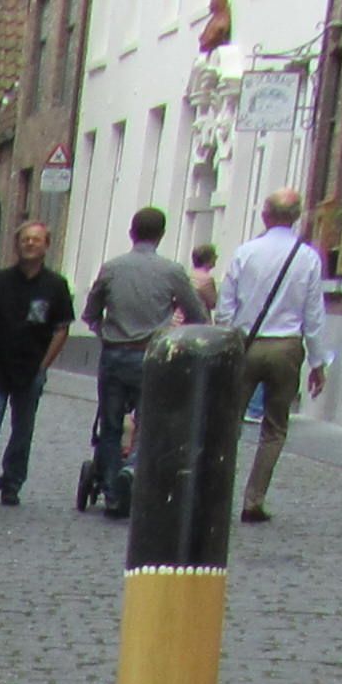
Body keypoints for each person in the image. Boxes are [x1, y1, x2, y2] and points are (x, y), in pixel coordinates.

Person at [79, 206, 202, 517]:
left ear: (132, 233)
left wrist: (105, 331)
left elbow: (90, 313)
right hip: (152, 355)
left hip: (115, 354)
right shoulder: (172, 271)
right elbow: (197, 313)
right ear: (161, 235)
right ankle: (132, 470)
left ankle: (111, 491)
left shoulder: (111, 268)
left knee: (109, 424)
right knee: (149, 421)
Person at [217, 189, 330, 524]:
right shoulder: (307, 257)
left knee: (227, 423)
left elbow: (226, 306)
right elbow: (314, 313)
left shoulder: (245, 253)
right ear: (296, 217)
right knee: (275, 427)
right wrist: (318, 362)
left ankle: (217, 493)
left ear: (265, 215)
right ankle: (254, 499)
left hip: (246, 345)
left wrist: (227, 342)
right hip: (286, 347)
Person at [0, 221, 73, 506]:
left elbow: (61, 329)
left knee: (23, 429)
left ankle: (12, 481)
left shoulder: (56, 286)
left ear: (46, 245)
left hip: (31, 368)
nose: (30, 244)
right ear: (16, 245)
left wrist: (44, 366)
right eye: (24, 240)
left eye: (36, 240)